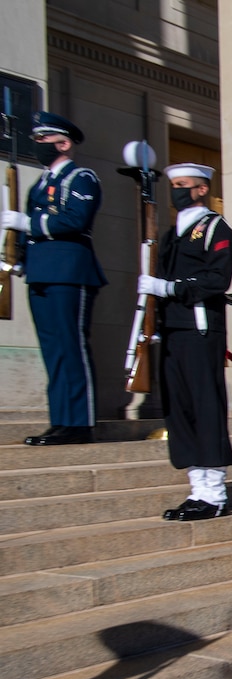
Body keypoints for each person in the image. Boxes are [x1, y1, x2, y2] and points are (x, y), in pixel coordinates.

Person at [136, 163, 232, 521]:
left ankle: (214, 494)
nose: (177, 190)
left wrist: (169, 288)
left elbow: (216, 280)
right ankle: (197, 489)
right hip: (172, 330)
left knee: (204, 408)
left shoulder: (215, 228)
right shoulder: (169, 234)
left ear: (202, 189)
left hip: (199, 329)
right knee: (178, 412)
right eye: (173, 184)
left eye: (184, 185)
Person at [1, 112, 107, 446]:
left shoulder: (81, 177)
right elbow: (30, 224)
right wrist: (15, 253)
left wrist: (26, 223)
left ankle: (80, 423)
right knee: (53, 350)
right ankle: (61, 420)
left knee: (70, 346)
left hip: (69, 271)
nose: (38, 144)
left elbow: (75, 219)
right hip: (42, 271)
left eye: (43, 139)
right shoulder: (41, 182)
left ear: (64, 143)